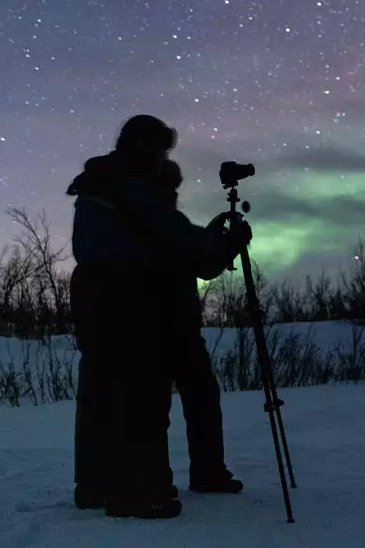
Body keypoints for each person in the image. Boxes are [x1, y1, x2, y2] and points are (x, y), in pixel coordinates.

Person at [67, 115, 250, 519]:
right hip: (137, 306)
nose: (163, 157)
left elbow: (177, 246)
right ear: (142, 146)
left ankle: (99, 485)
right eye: (159, 149)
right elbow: (180, 243)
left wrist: (213, 245)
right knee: (141, 398)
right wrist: (226, 242)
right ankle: (137, 488)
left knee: (108, 397)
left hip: (114, 307)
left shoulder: (107, 186)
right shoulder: (130, 188)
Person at [153, 159, 245, 496]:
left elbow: (200, 264)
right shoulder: (152, 220)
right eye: (168, 187)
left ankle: (206, 472)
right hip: (158, 327)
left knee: (203, 398)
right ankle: (156, 481)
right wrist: (220, 241)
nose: (173, 194)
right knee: (157, 407)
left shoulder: (165, 220)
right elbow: (191, 251)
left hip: (181, 327)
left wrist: (222, 243)